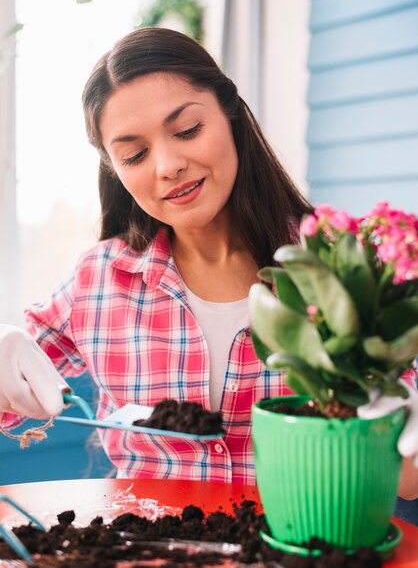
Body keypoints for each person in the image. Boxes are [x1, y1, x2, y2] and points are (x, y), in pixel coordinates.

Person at [0, 28, 416, 494]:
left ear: (231, 115)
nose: (167, 166)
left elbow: (406, 482)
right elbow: (12, 383)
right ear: (115, 170)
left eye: (187, 131)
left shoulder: (338, 268)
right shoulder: (99, 280)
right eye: (135, 155)